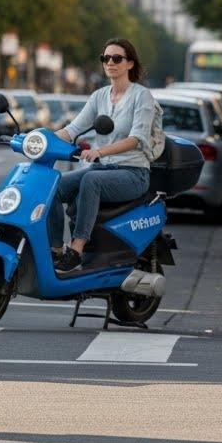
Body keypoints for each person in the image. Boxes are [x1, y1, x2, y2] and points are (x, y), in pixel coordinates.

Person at [52, 39, 161, 274]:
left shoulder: (142, 96)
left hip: (133, 173)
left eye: (117, 58)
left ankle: (77, 249)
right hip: (103, 170)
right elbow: (72, 129)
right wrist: (38, 139)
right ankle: (56, 250)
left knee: (91, 180)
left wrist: (99, 151)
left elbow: (136, 138)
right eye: (105, 58)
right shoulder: (99, 96)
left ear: (130, 63)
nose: (110, 62)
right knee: (52, 186)